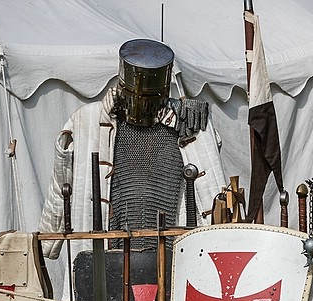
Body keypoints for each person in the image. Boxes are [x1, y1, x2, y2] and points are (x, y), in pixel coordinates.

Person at [39, 38, 226, 257]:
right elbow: (62, 181)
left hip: (173, 254)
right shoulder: (87, 122)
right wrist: (47, 239)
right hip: (107, 252)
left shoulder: (189, 125)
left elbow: (213, 188)